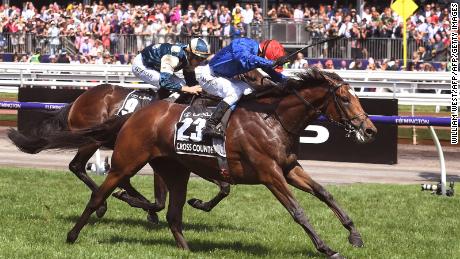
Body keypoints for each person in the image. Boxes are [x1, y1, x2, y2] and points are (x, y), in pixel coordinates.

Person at [198, 38, 287, 138]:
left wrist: (291, 82)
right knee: (234, 92)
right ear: (263, 54)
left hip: (223, 77)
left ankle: (237, 121)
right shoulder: (242, 43)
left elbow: (273, 73)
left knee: (250, 91)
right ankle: (210, 125)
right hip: (208, 75)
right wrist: (271, 63)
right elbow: (244, 58)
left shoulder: (259, 56)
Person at [132, 37, 210, 97]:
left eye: (203, 59)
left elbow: (191, 82)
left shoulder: (189, 57)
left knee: (183, 86)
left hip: (155, 65)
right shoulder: (173, 57)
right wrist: (188, 89)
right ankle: (153, 108)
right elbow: (164, 82)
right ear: (190, 54)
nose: (200, 62)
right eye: (199, 58)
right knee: (174, 87)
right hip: (142, 65)